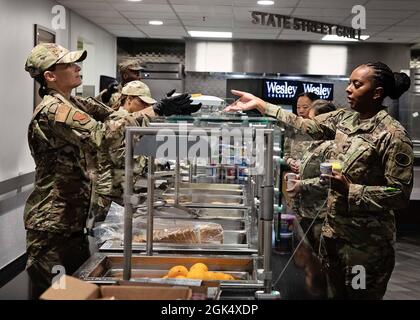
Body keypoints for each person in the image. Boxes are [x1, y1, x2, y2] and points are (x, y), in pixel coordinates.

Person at [225, 62, 413, 299]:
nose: (348, 89)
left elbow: (399, 193)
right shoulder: (345, 118)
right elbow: (304, 124)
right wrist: (262, 105)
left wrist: (351, 190)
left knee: (359, 295)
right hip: (333, 237)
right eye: (349, 83)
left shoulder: (393, 135)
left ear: (377, 93)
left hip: (365, 247)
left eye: (357, 84)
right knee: (332, 294)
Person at [23, 43, 199, 297]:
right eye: (69, 65)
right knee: (55, 293)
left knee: (74, 291)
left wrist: (162, 109)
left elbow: (114, 116)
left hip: (72, 221)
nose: (77, 67)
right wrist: (155, 109)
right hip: (52, 225)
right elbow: (103, 135)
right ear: (49, 76)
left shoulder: (75, 103)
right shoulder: (53, 110)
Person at [287, 100, 337, 253]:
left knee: (320, 260)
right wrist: (296, 175)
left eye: (312, 119)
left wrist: (301, 184)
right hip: (306, 212)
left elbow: (329, 180)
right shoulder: (315, 143)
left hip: (320, 215)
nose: (308, 123)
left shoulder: (334, 147)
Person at [283, 92, 319, 174]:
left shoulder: (321, 128)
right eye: (298, 107)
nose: (301, 111)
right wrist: (291, 162)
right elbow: (286, 154)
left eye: (305, 107)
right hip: (295, 175)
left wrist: (304, 164)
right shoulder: (291, 127)